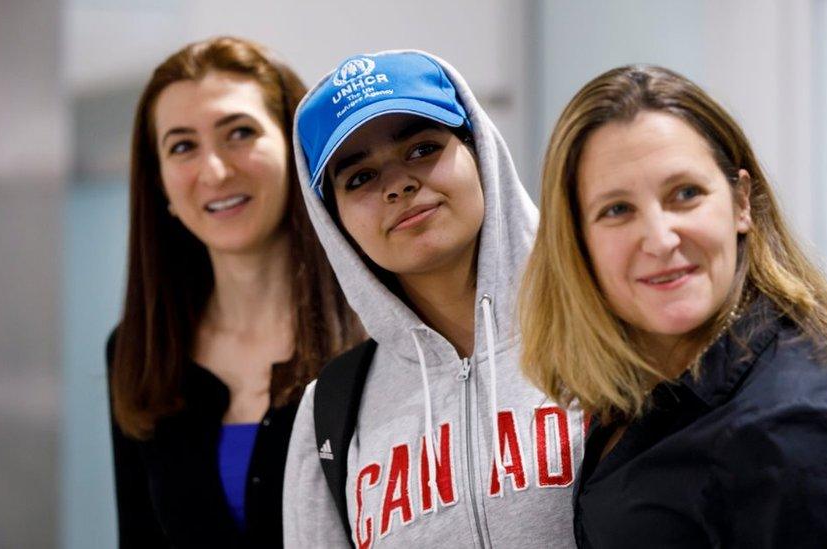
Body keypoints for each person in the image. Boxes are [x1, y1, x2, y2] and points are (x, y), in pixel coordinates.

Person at [520, 64, 827, 548]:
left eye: (685, 194)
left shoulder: (793, 431)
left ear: (741, 202)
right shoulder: (648, 381)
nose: (660, 238)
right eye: (617, 210)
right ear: (578, 241)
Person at [282, 50, 584, 548]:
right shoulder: (331, 412)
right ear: (333, 221)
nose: (399, 184)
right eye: (359, 178)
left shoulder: (600, 320)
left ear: (478, 149)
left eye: (422, 148)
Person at [106, 36, 362, 548]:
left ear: (295, 150)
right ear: (160, 185)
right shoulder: (141, 349)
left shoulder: (377, 327)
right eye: (182, 146)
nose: (216, 171)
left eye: (239, 133)